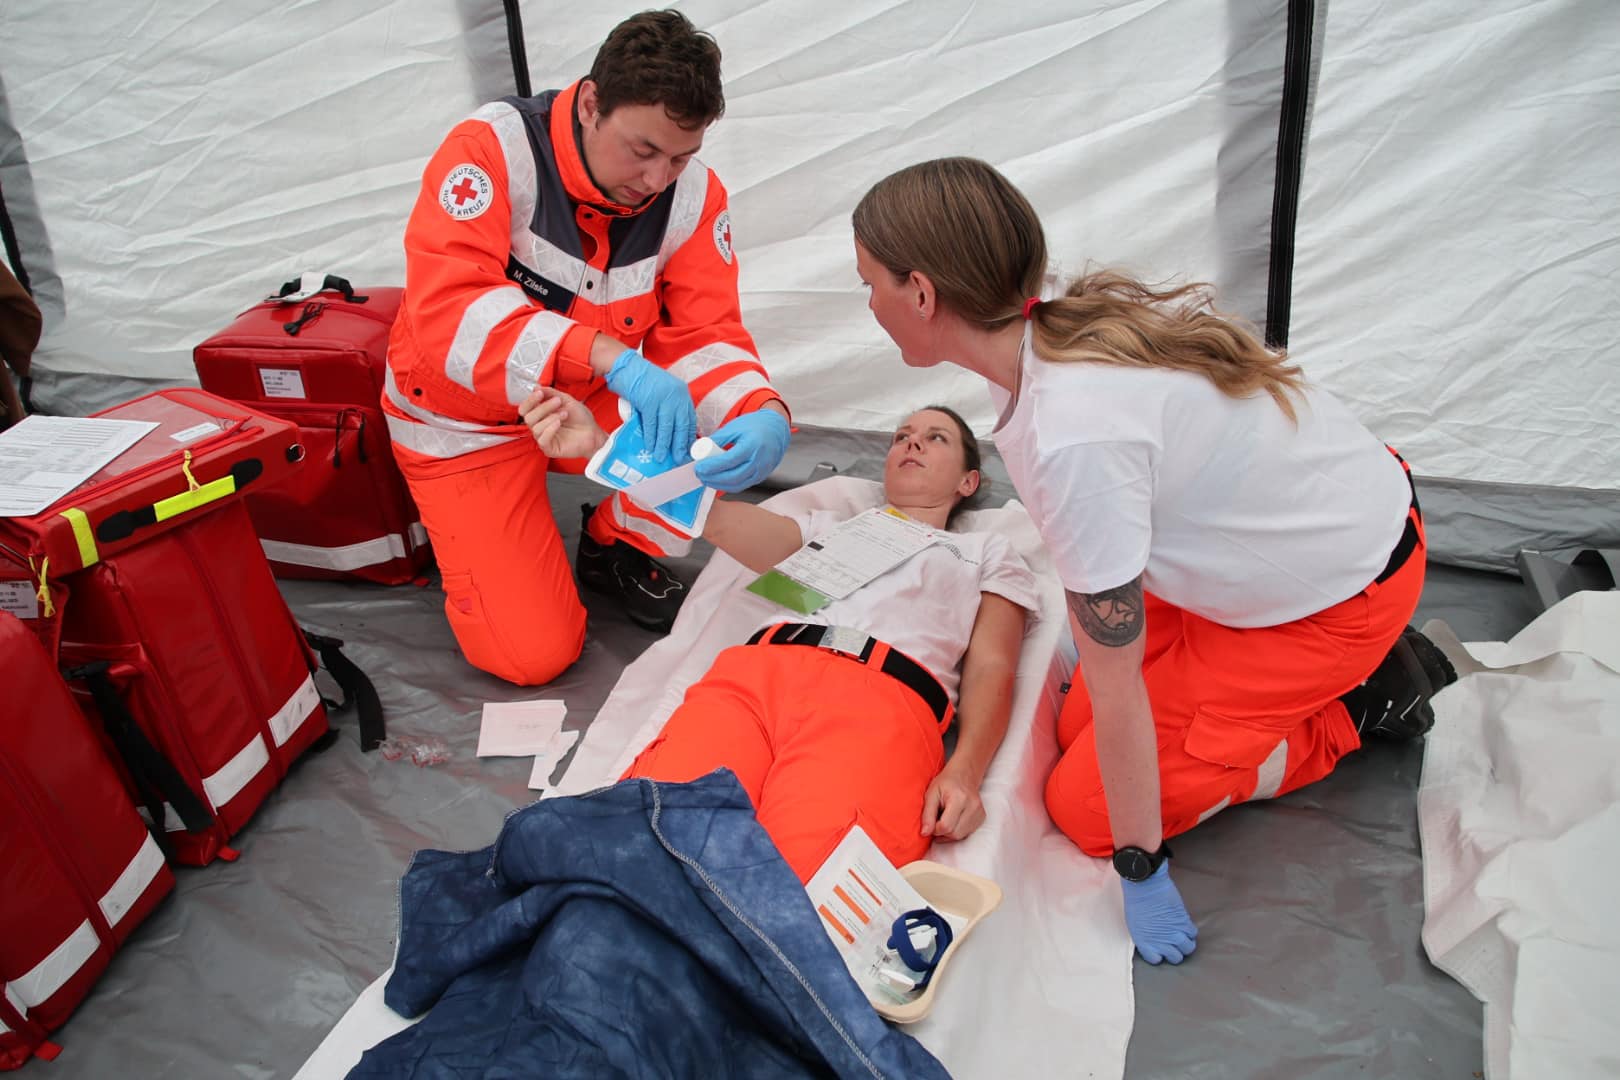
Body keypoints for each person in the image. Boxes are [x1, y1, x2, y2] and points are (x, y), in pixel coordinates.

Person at [851, 157, 1457, 963]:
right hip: (1309, 529)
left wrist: (1141, 864)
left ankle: (1358, 704)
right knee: (1073, 724)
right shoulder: (1049, 341)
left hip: (1339, 598)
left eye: (871, 286)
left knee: (1089, 808)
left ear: (922, 294)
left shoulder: (1074, 432)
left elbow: (1118, 677)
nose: (869, 306)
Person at [383, 9, 791, 686]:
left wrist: (762, 408)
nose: (659, 178)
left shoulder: (691, 194)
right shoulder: (492, 150)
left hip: (588, 401)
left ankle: (612, 540)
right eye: (643, 150)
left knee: (714, 433)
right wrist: (613, 360)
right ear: (593, 103)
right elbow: (448, 314)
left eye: (681, 156)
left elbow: (704, 334)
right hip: (463, 423)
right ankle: (486, 525)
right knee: (532, 656)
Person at [521, 387, 1039, 881]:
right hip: (756, 680)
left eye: (935, 437)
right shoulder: (834, 530)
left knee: (803, 884)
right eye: (902, 435)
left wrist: (966, 772)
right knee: (652, 840)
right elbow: (712, 519)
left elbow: (993, 666)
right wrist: (605, 448)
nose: (912, 442)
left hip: (880, 700)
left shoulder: (984, 553)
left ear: (968, 481)